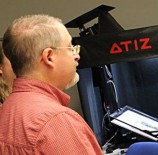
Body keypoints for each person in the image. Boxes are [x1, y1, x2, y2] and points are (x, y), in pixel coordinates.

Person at [0, 14, 103, 155]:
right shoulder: (57, 121)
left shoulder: (7, 112)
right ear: (48, 57)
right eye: (70, 47)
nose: (77, 55)